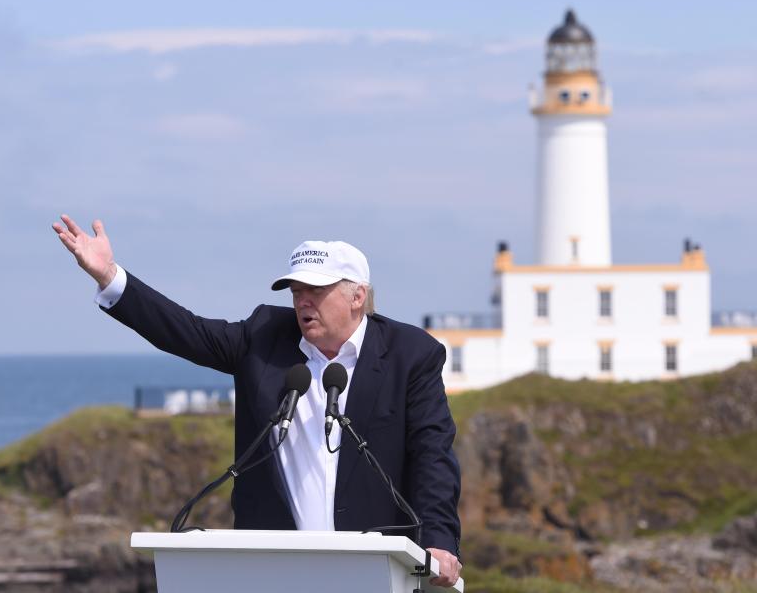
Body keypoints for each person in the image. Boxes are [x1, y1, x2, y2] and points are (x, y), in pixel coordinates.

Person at [52, 214, 462, 587]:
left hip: (376, 571)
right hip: (274, 569)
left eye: (316, 290)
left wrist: (441, 542)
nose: (302, 301)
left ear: (357, 296)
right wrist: (109, 276)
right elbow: (185, 331)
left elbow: (433, 455)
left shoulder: (411, 355)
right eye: (296, 290)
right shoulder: (264, 338)